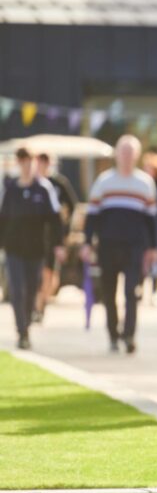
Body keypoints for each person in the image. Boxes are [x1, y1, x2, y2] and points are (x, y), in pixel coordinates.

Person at [81, 135, 157, 354]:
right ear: (117, 155)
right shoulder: (104, 181)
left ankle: (129, 335)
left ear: (136, 156)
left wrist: (154, 248)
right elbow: (92, 216)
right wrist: (87, 243)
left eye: (129, 153)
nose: (125, 157)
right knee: (108, 292)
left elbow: (152, 220)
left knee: (131, 292)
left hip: (134, 247)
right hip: (107, 246)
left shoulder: (145, 183)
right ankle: (113, 334)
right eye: (122, 152)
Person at [0, 148, 62, 349]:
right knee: (17, 290)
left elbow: (55, 220)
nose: (26, 165)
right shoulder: (11, 190)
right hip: (14, 249)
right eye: (23, 161)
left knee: (31, 289)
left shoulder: (43, 189)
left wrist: (57, 245)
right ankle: (22, 331)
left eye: (29, 161)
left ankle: (26, 322)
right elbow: (2, 219)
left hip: (35, 250)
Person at [34, 152, 78, 320]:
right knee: (37, 272)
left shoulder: (58, 183)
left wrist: (66, 229)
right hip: (37, 236)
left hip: (55, 235)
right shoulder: (34, 184)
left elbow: (72, 206)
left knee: (50, 274)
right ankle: (36, 305)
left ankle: (42, 302)